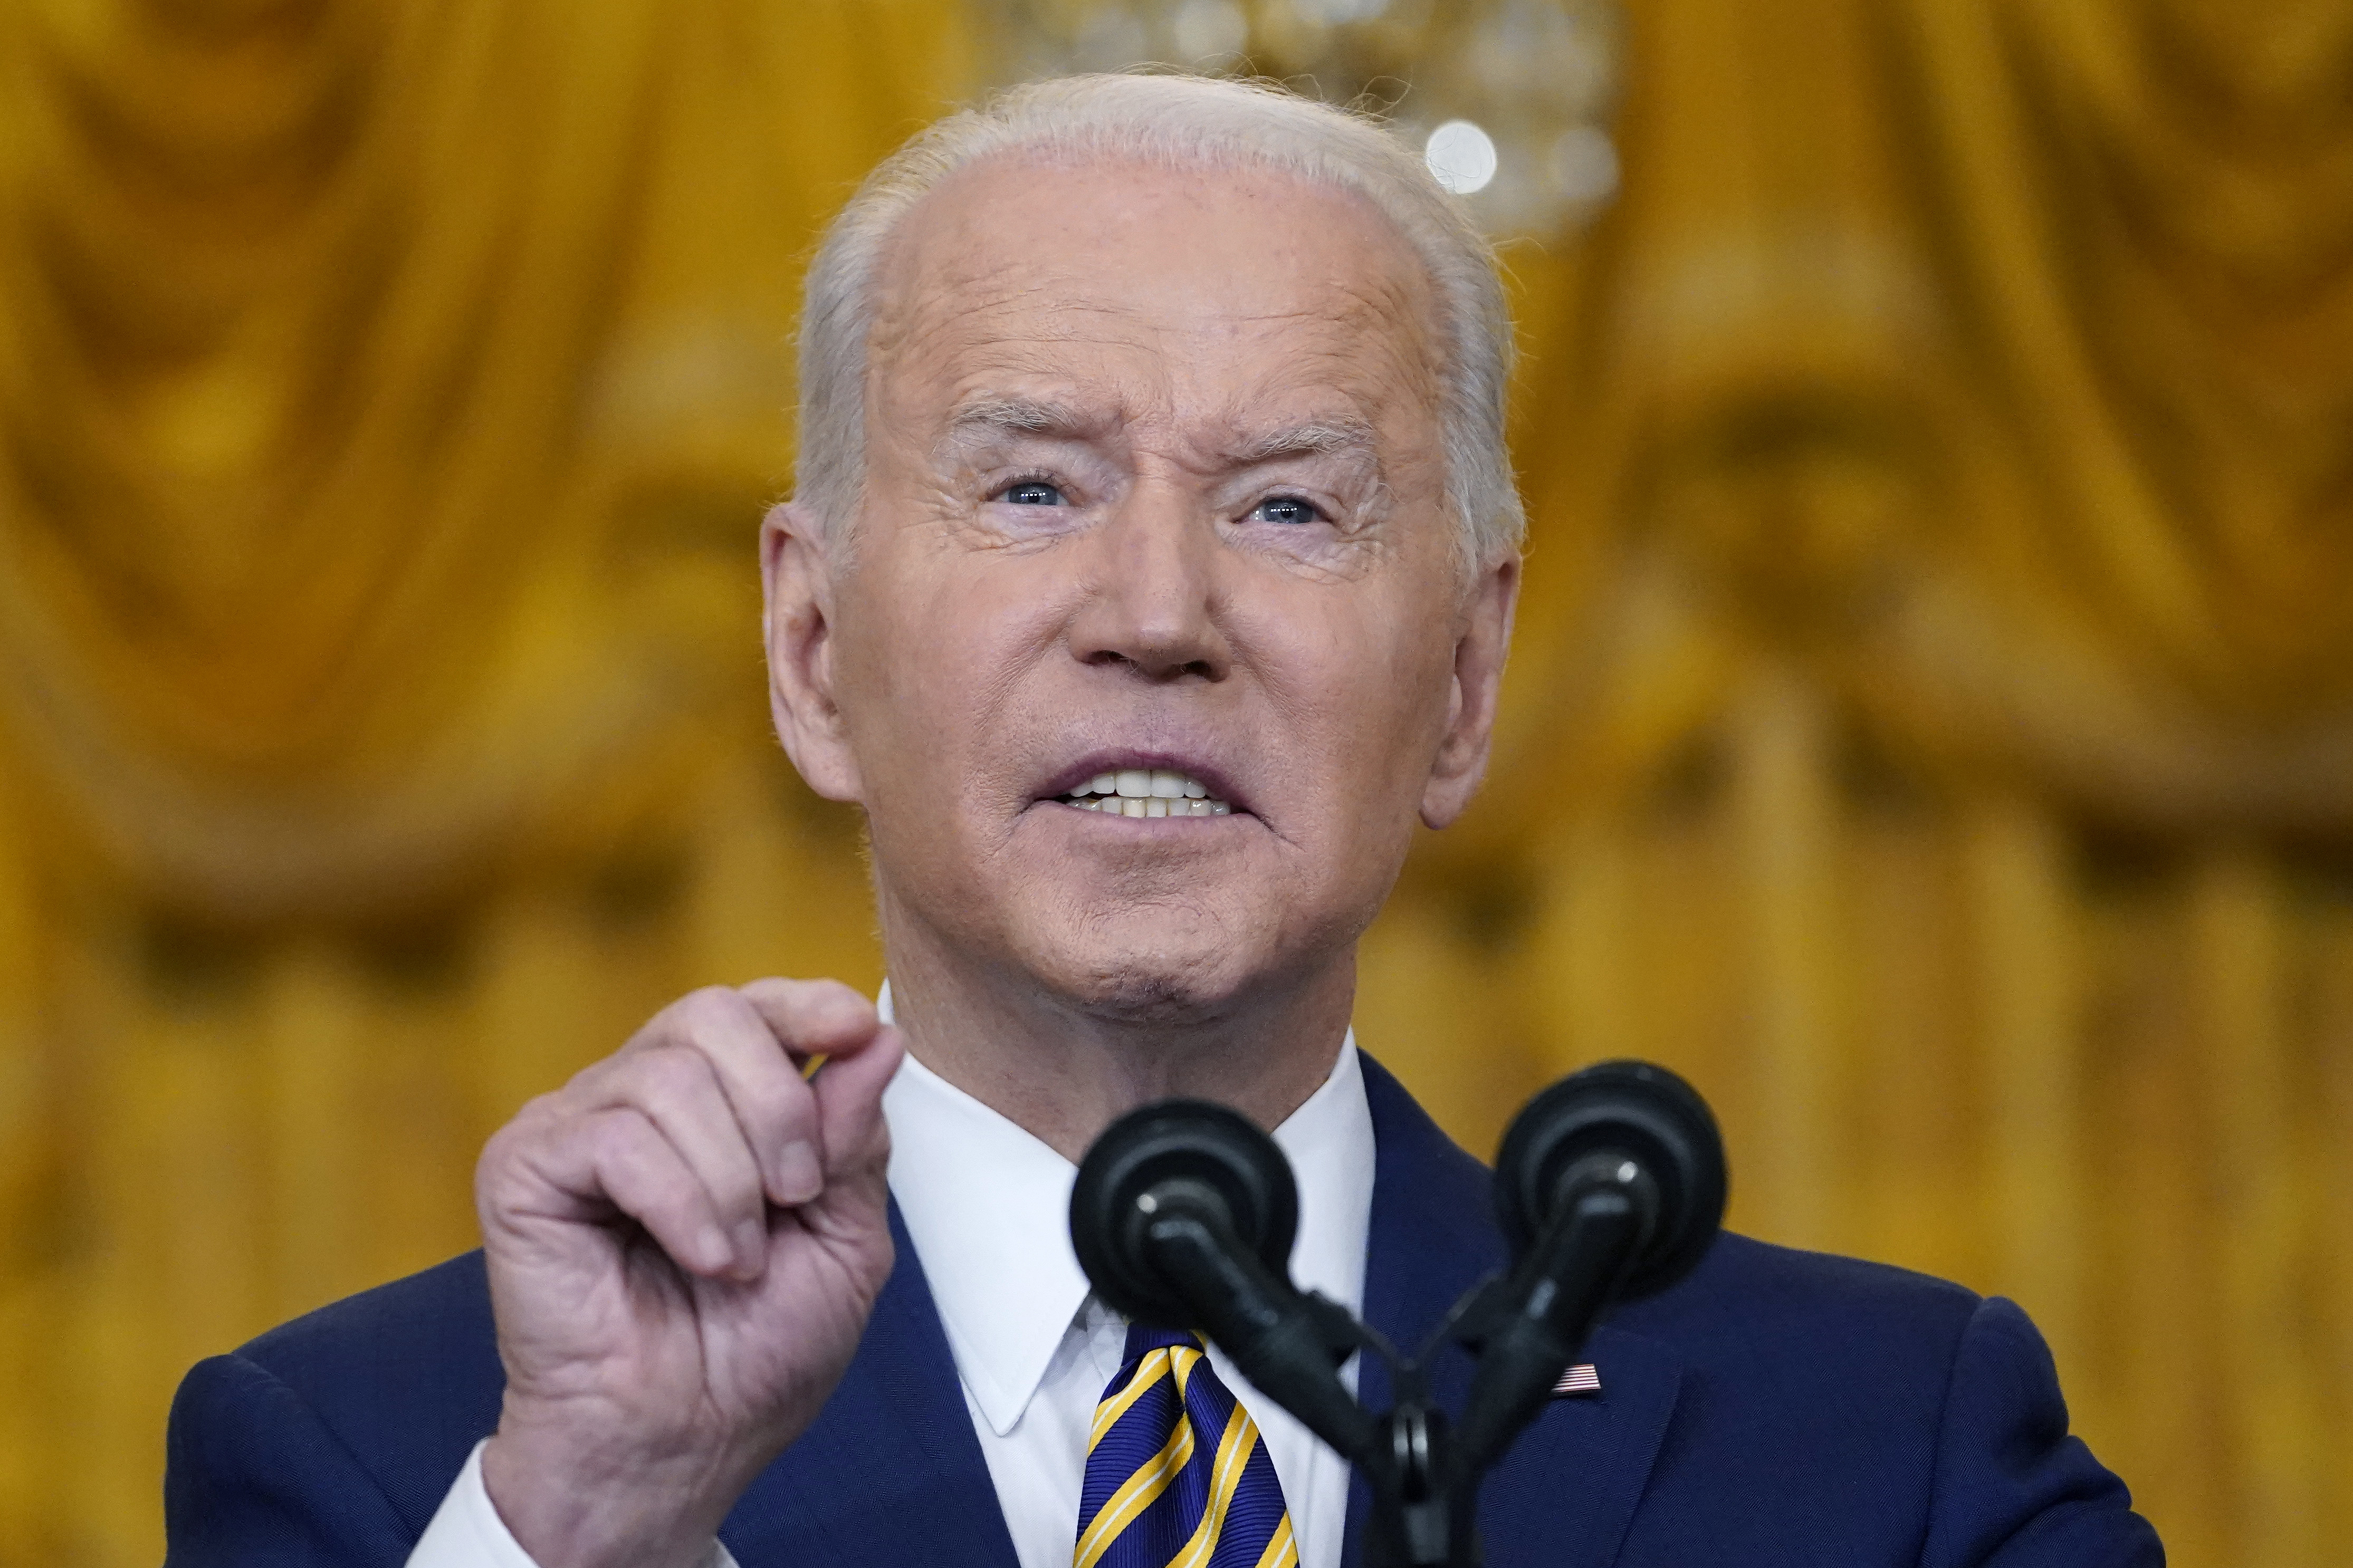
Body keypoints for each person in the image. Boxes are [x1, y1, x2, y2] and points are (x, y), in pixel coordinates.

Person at [161, 73, 2162, 1568]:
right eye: (1032, 488)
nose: (1155, 615)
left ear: (1462, 682)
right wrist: (600, 1528)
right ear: (807, 643)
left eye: (1288, 504)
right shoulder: (407, 1462)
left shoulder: (1889, 1448)